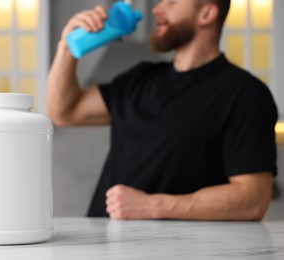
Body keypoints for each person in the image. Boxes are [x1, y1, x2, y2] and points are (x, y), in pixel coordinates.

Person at [46, 0, 278, 221]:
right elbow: (64, 111)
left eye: (172, 2)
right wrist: (66, 48)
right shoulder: (141, 78)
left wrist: (151, 206)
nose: (158, 9)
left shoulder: (244, 93)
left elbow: (253, 199)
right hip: (101, 244)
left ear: (206, 14)